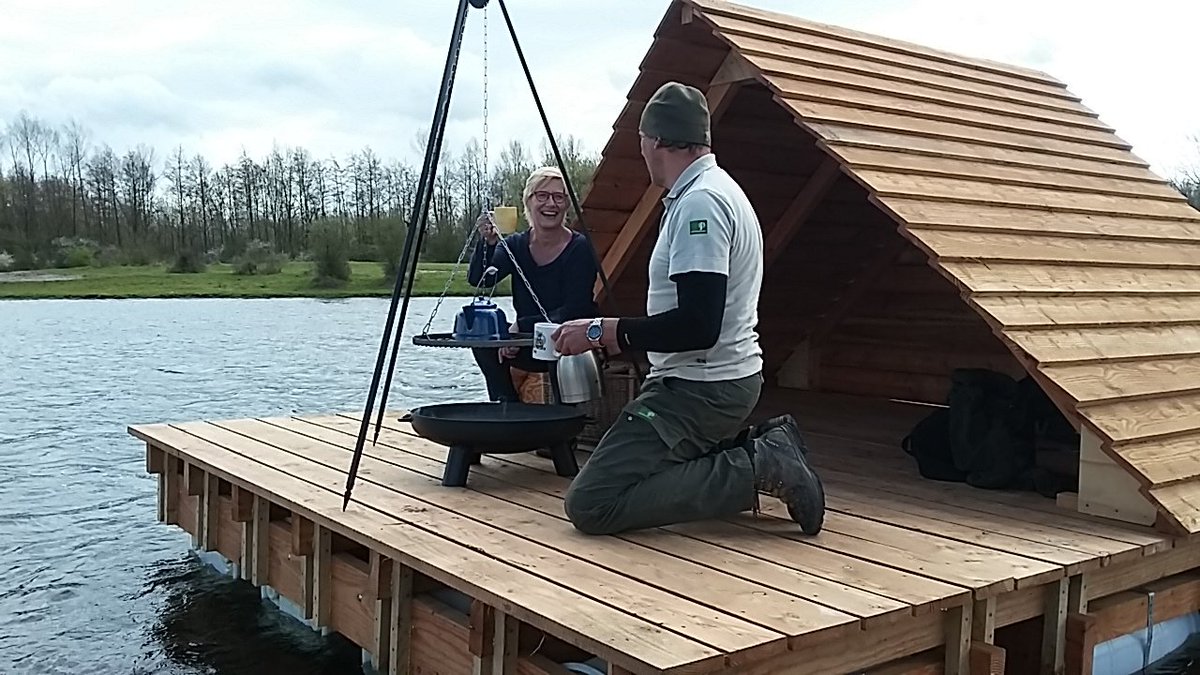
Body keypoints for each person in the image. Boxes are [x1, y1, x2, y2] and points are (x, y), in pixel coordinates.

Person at [552, 81, 825, 536]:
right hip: (708, 382)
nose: (639, 150)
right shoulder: (708, 191)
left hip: (700, 390)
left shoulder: (702, 203)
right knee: (636, 466)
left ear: (655, 140)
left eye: (640, 140)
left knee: (592, 502)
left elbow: (699, 326)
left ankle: (757, 465)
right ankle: (756, 448)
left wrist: (603, 332)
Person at [467, 166, 599, 402]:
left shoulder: (579, 248)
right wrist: (487, 243)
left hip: (565, 340)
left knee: (564, 340)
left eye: (559, 197)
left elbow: (576, 309)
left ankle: (565, 421)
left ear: (566, 205)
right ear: (529, 201)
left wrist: (522, 327)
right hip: (525, 341)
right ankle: (505, 405)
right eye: (543, 196)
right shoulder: (517, 245)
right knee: (483, 336)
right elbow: (481, 280)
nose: (551, 204)